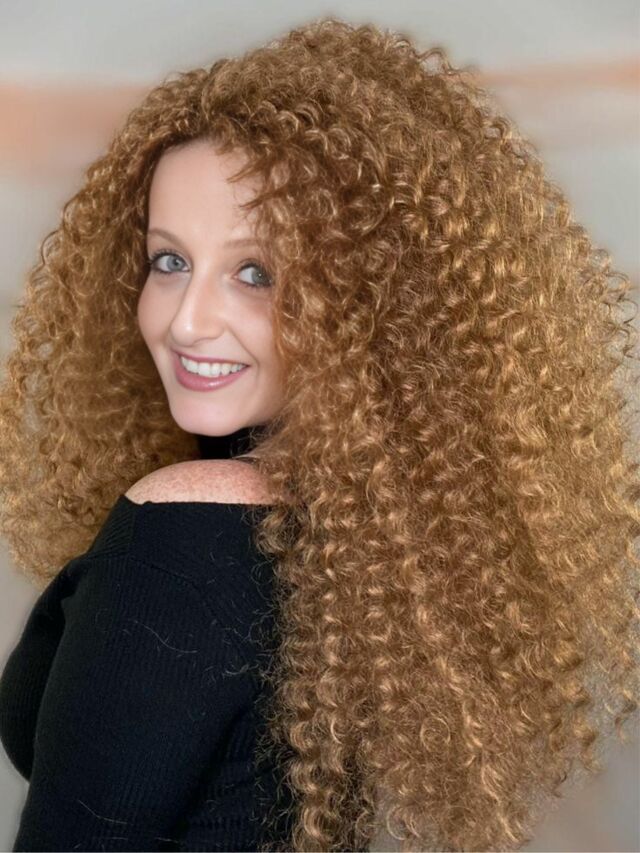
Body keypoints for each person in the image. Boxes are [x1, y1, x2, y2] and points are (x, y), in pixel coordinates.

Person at [0, 15, 638, 853]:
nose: (187, 321)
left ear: (368, 303)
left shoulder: (182, 536)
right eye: (168, 261)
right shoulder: (361, 540)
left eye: (256, 272)